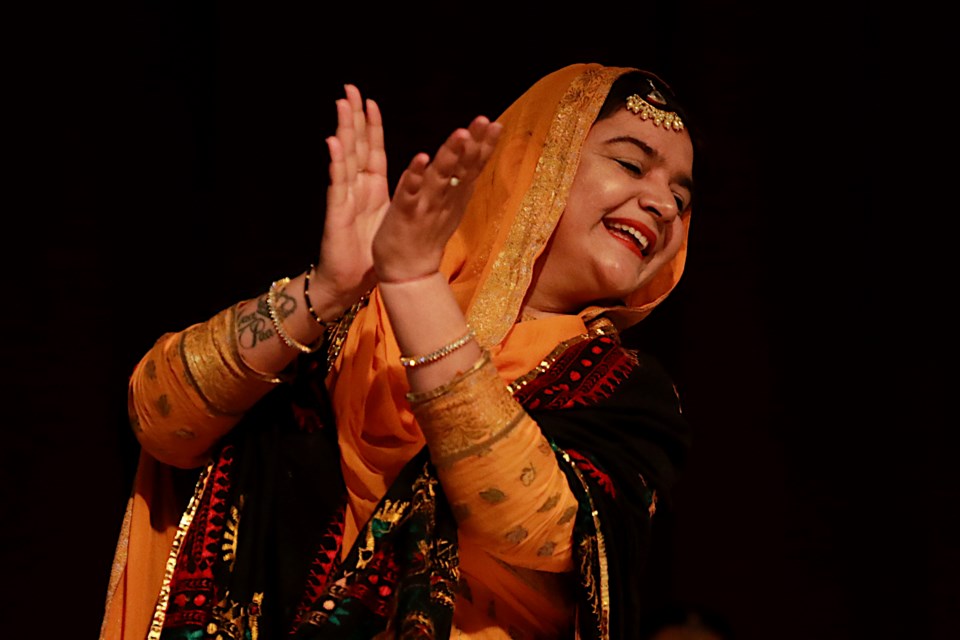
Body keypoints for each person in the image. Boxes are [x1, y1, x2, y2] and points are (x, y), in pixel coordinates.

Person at [100, 62, 697, 640]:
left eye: (680, 195)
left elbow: (536, 523)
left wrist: (414, 288)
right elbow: (160, 418)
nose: (664, 205)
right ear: (535, 160)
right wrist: (325, 291)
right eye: (630, 165)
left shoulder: (626, 390)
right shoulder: (349, 319)